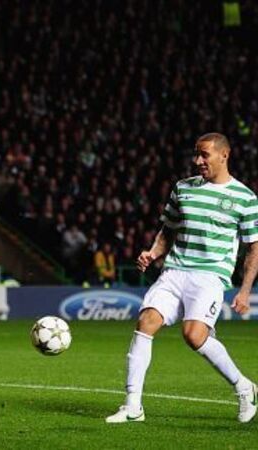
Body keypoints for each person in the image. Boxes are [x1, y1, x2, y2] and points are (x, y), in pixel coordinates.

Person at [106, 133, 258, 424]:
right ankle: (133, 406)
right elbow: (168, 230)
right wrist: (153, 253)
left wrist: (245, 289)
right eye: (196, 155)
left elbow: (254, 248)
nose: (198, 160)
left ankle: (243, 387)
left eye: (204, 155)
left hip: (210, 275)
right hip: (175, 271)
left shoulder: (245, 198)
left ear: (224, 155)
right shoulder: (183, 188)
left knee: (194, 335)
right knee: (146, 322)